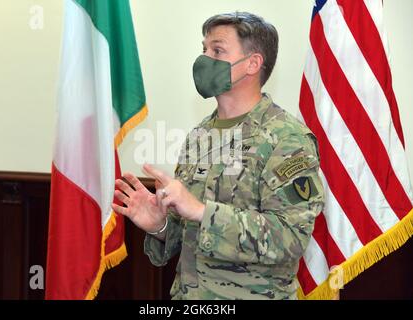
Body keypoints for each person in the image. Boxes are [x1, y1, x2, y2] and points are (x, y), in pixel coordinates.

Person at [112, 12, 325, 300]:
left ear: (252, 63)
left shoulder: (286, 138)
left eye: (217, 50)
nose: (204, 59)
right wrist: (161, 225)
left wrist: (202, 212)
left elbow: (290, 237)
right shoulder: (200, 135)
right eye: (204, 49)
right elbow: (188, 234)